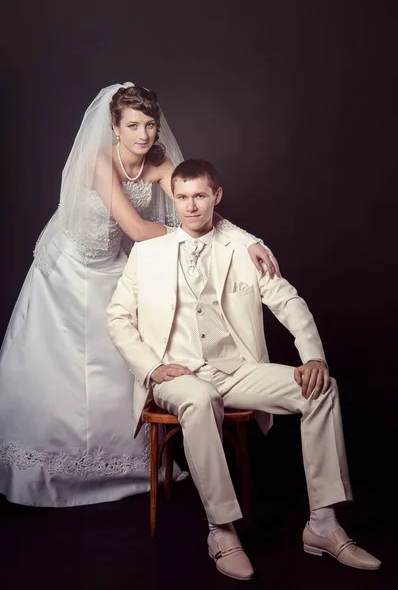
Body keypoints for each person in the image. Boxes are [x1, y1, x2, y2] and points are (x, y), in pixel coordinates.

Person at [0, 84, 280, 507]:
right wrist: (184, 235)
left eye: (149, 125)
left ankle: (119, 461)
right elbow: (136, 229)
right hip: (70, 267)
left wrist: (247, 241)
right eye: (132, 126)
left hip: (113, 264)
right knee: (60, 369)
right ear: (114, 127)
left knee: (121, 361)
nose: (143, 135)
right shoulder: (99, 162)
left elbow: (197, 204)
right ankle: (55, 465)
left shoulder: (157, 162)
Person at [107, 159, 381, 579]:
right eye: (182, 197)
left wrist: (314, 357)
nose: (191, 205)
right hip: (177, 375)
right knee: (200, 399)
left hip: (236, 369)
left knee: (322, 388)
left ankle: (323, 525)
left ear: (216, 197)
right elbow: (118, 318)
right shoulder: (147, 253)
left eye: (200, 195)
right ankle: (221, 531)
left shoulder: (244, 249)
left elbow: (288, 301)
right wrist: (153, 367)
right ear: (173, 198)